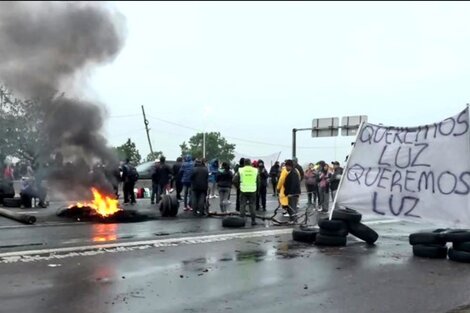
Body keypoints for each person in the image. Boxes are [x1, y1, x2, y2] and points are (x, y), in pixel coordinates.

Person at [233, 158, 259, 226]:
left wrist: (238, 187)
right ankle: (253, 221)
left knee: (242, 205)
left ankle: (242, 221)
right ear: (250, 163)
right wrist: (257, 190)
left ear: (244, 163)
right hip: (253, 190)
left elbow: (234, 180)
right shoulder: (255, 170)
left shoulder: (240, 170)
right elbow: (258, 181)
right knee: (252, 205)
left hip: (243, 190)